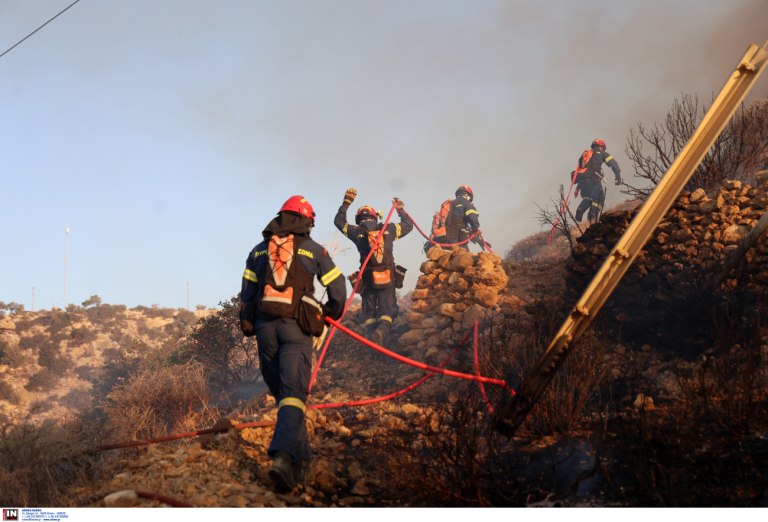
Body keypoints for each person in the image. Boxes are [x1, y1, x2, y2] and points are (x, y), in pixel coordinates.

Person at [239, 195, 346, 492]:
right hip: (296, 329)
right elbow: (338, 287)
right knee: (294, 394)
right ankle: (283, 458)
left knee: (283, 394)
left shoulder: (258, 251)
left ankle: (300, 463)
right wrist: (329, 314)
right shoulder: (314, 250)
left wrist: (251, 319)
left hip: (264, 330)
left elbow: (247, 293)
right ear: (306, 222)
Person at [335, 188, 413, 345]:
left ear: (359, 219)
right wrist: (400, 210)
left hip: (368, 277)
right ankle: (382, 331)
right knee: (388, 308)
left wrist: (346, 203)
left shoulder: (356, 232)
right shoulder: (389, 229)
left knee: (369, 311)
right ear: (374, 217)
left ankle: (371, 340)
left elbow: (339, 222)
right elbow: (408, 225)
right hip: (388, 276)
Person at [572, 139, 622, 223]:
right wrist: (618, 175)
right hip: (594, 180)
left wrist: (578, 187)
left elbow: (580, 169)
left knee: (587, 197)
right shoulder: (602, 153)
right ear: (601, 147)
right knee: (599, 198)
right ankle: (592, 217)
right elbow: (613, 163)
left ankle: (580, 209)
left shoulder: (585, 155)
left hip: (582, 182)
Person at [427, 185, 483, 251]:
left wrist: (476, 238)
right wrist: (476, 229)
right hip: (457, 239)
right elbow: (472, 217)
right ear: (468, 195)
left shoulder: (447, 205)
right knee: (465, 259)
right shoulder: (466, 203)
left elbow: (462, 225)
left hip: (442, 239)